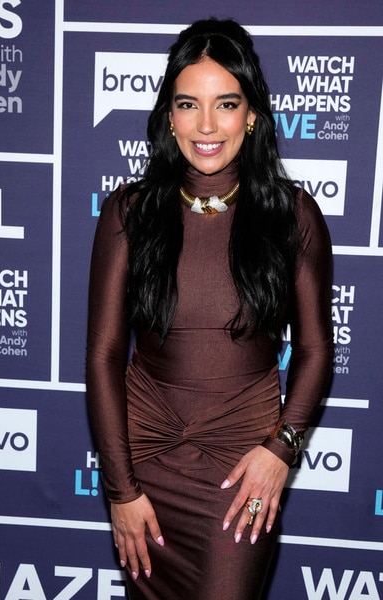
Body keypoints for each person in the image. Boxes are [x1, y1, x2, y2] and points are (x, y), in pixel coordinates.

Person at [86, 17, 333, 600]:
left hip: (242, 468)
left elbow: (317, 351)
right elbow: (102, 357)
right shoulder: (130, 213)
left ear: (251, 114)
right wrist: (120, 491)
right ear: (168, 117)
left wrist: (282, 449)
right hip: (142, 463)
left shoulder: (292, 216)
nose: (206, 125)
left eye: (225, 103)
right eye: (187, 104)